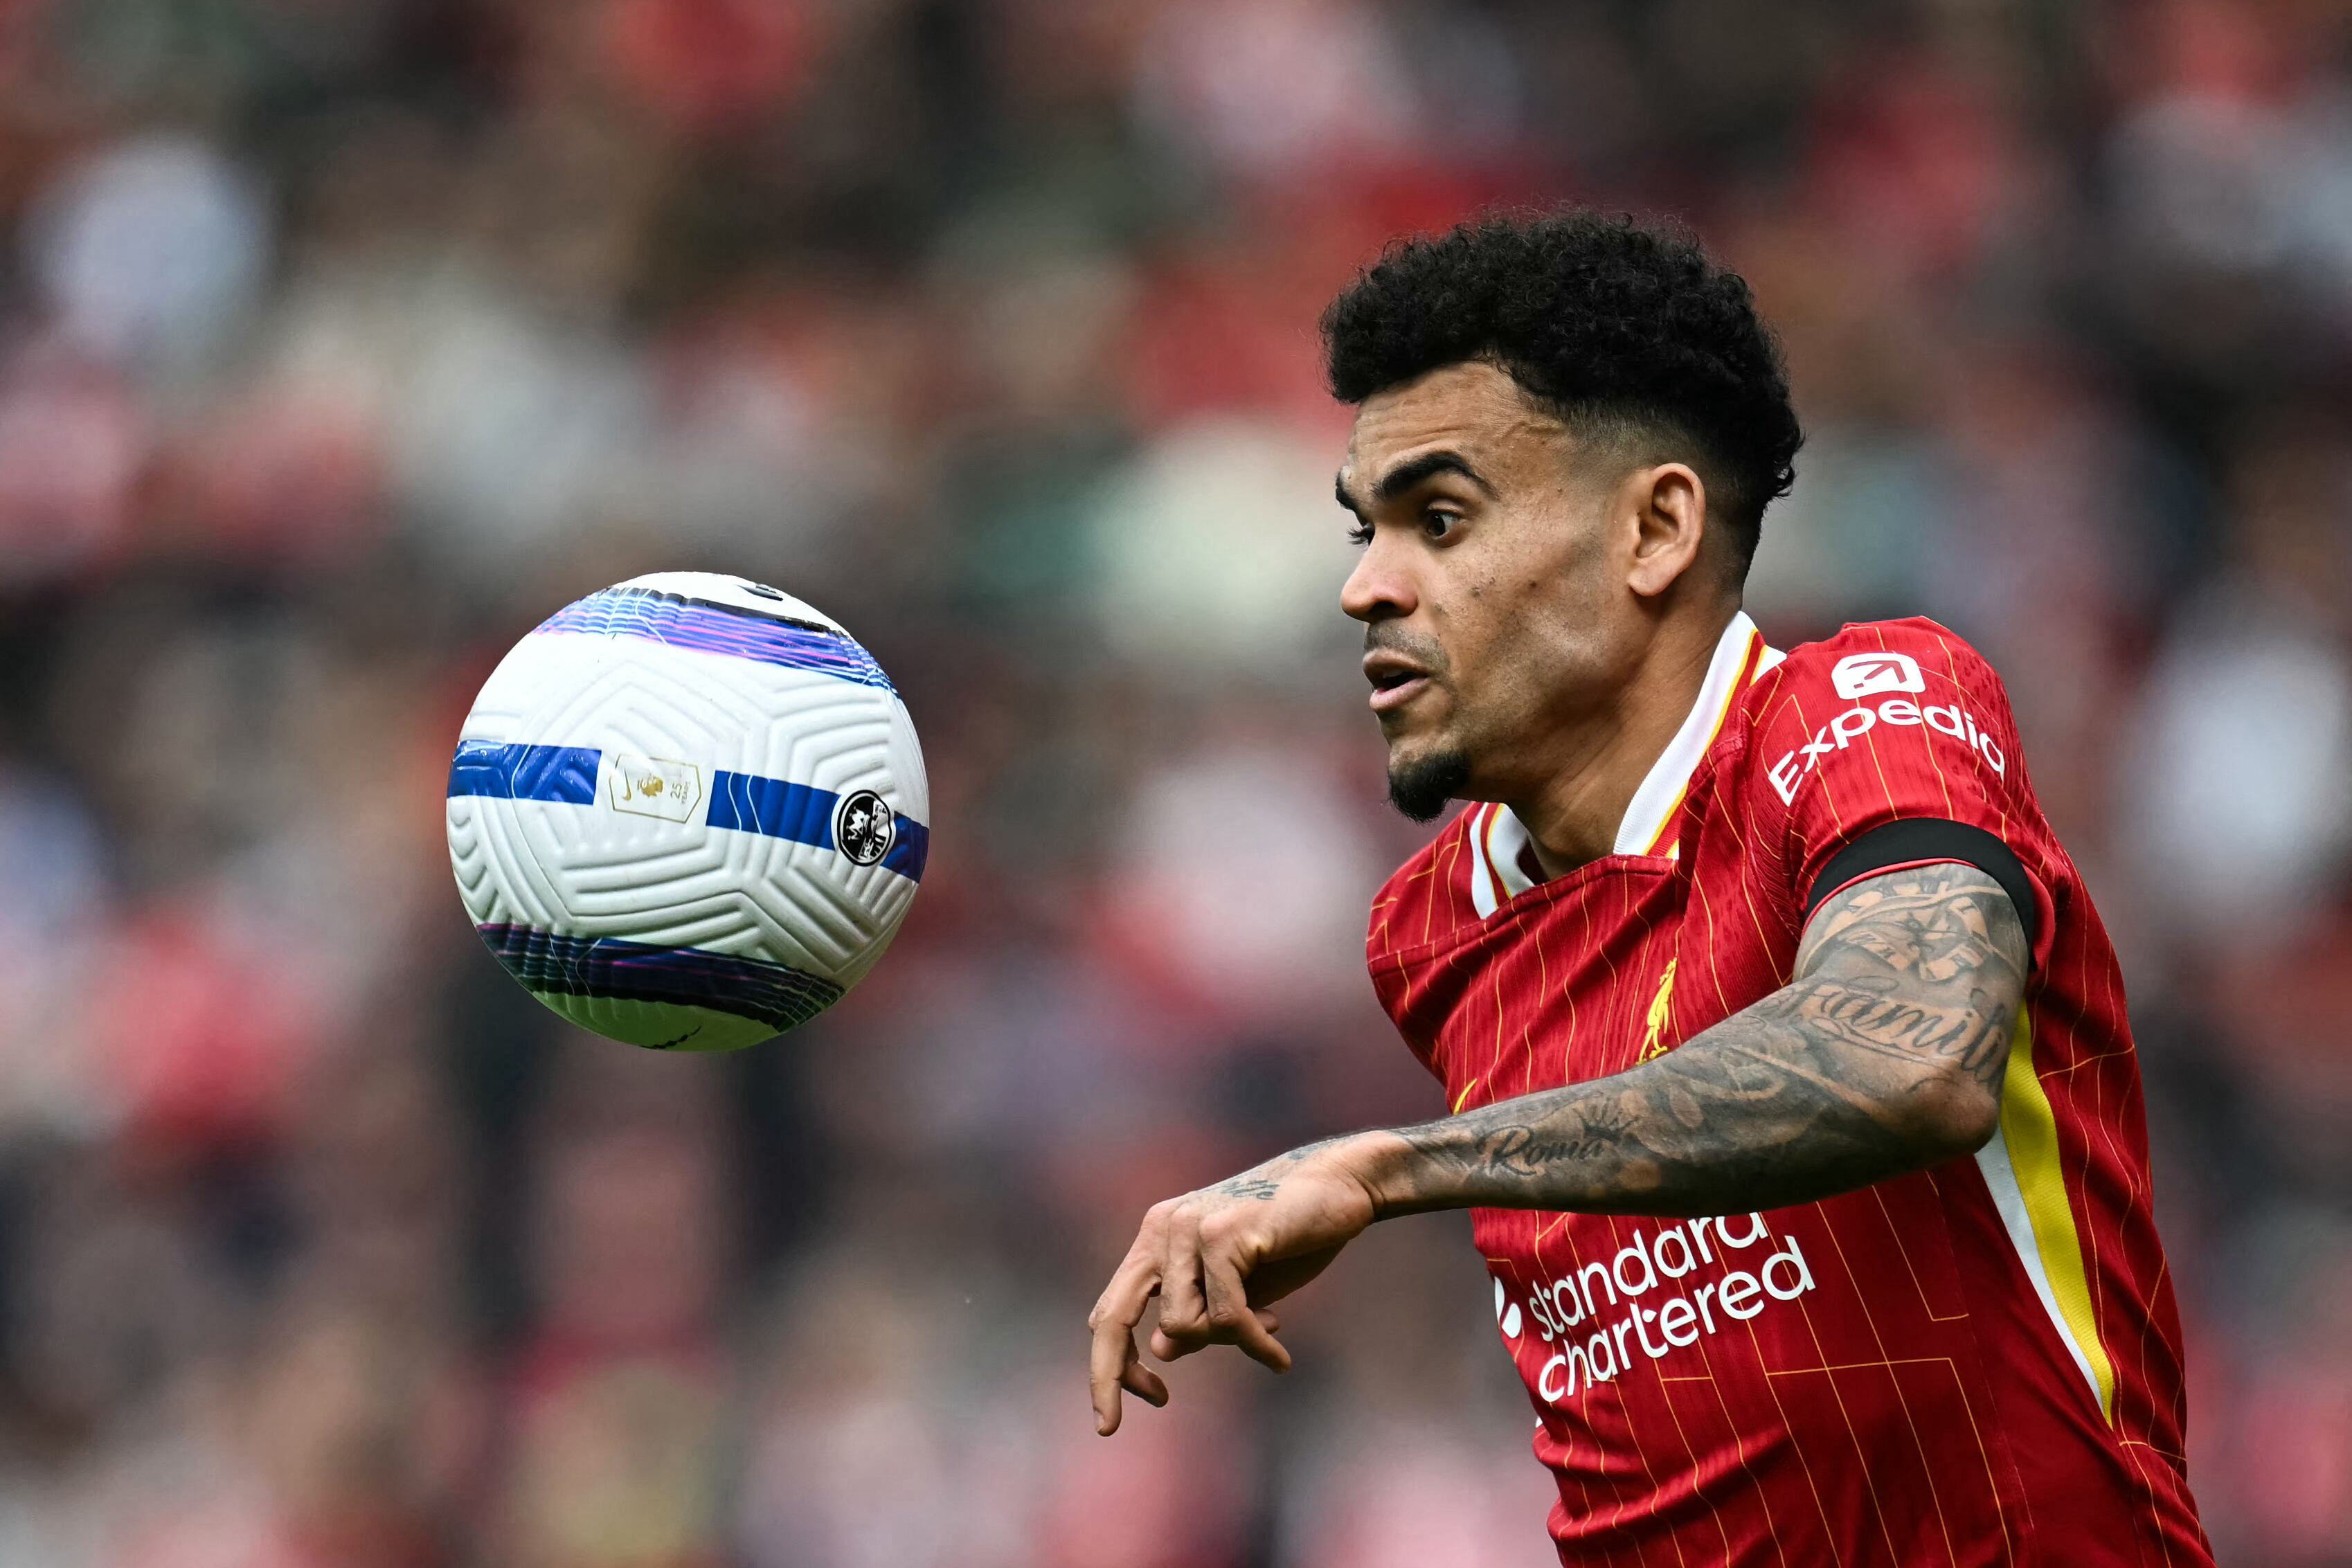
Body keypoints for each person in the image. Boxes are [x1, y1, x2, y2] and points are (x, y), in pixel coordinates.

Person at [1086, 210, 2214, 1567]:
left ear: (1654, 528)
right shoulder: (1430, 931)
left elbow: (1910, 1057)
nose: (1364, 588)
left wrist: (1389, 1168)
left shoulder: (1864, 714)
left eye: (1437, 519)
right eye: (1362, 530)